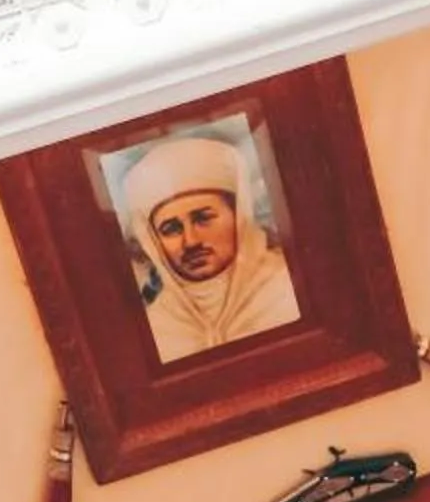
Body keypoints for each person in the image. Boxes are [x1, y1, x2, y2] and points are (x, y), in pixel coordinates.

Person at [121, 131, 301, 361]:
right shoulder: (154, 327)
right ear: (153, 242)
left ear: (238, 217)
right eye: (171, 229)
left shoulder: (289, 288)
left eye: (203, 218)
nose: (191, 241)